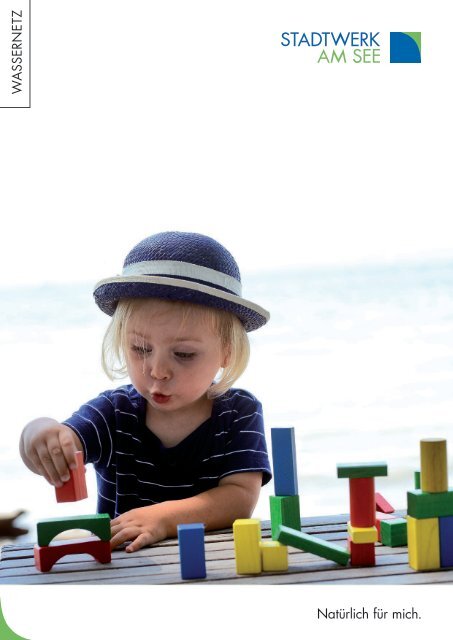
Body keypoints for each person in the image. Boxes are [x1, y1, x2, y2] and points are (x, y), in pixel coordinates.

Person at [19, 231, 272, 552]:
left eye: (183, 354)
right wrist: (39, 433)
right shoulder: (113, 412)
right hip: (126, 568)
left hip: (215, 566)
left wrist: (164, 518)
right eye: (140, 348)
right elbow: (64, 440)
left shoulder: (238, 410)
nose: (157, 370)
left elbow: (240, 498)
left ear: (227, 352)